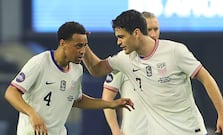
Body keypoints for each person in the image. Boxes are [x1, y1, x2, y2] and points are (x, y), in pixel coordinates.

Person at [82, 9, 223, 135]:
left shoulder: (175, 51)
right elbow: (96, 69)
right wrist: (84, 45)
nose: (118, 42)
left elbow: (206, 79)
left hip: (189, 130)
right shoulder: (125, 59)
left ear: (136, 33)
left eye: (121, 37)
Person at [4, 21, 134, 135]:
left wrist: (110, 104)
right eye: (78, 46)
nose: (83, 51)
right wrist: (32, 114)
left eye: (85, 45)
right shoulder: (40, 62)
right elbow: (11, 92)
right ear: (63, 43)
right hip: (32, 132)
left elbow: (76, 100)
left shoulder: (77, 69)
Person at [102, 11, 159, 135]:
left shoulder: (166, 56)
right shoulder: (122, 60)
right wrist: (115, 130)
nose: (153, 34)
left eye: (156, 29)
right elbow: (107, 99)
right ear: (137, 32)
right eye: (149, 30)